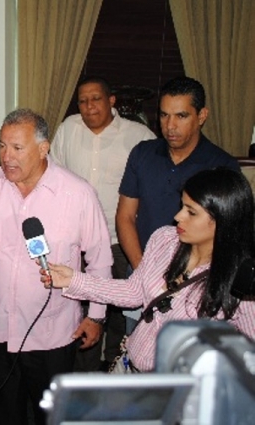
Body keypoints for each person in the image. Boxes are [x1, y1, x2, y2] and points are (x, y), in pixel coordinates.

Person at [0, 109, 112, 425]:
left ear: (43, 149)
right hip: (1, 326)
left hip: (53, 334)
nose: (6, 156)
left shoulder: (77, 193)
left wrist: (96, 316)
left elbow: (100, 260)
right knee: (3, 412)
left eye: (17, 148)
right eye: (2, 145)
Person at [46, 167, 255, 372]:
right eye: (182, 205)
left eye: (191, 212)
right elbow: (134, 292)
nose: (178, 216)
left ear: (223, 220)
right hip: (128, 367)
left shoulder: (240, 280)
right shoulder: (166, 239)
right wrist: (74, 280)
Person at [116, 76, 240, 330]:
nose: (170, 126)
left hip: (195, 284)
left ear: (201, 115)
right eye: (163, 116)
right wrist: (143, 270)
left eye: (181, 116)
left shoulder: (222, 166)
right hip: (141, 268)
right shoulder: (143, 153)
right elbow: (125, 217)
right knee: (136, 349)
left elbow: (227, 235)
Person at [51, 76, 156, 370]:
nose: (88, 106)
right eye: (82, 101)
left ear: (111, 101)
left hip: (120, 238)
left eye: (95, 99)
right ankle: (82, 372)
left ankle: (115, 366)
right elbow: (54, 176)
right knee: (82, 307)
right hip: (79, 239)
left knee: (123, 309)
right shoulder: (68, 129)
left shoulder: (140, 136)